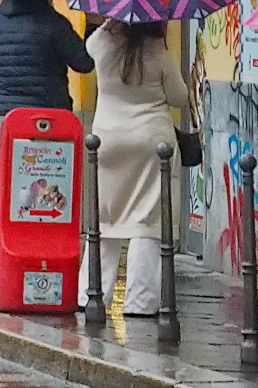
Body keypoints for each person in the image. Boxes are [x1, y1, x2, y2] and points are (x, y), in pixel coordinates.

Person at [75, 20, 189, 316]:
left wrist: (110, 23)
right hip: (150, 144)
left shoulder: (102, 42)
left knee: (104, 220)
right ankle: (141, 301)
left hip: (108, 141)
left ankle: (91, 294)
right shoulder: (161, 51)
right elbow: (179, 98)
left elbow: (89, 46)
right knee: (147, 221)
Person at [0, 0, 95, 143]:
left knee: (9, 158)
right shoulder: (55, 22)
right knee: (52, 158)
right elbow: (84, 64)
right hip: (50, 117)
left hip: (6, 116)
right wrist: (90, 27)